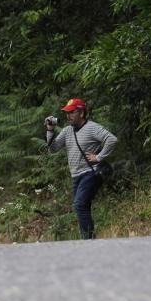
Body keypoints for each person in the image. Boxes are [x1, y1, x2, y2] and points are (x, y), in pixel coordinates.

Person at [45, 98, 118, 240]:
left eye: (72, 112)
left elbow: (112, 139)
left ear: (82, 113)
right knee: (82, 207)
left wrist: (99, 157)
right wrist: (50, 130)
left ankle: (88, 239)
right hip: (76, 176)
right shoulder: (67, 131)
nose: (68, 115)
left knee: (79, 205)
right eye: (67, 112)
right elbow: (53, 149)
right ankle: (89, 238)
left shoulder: (92, 128)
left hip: (91, 172)